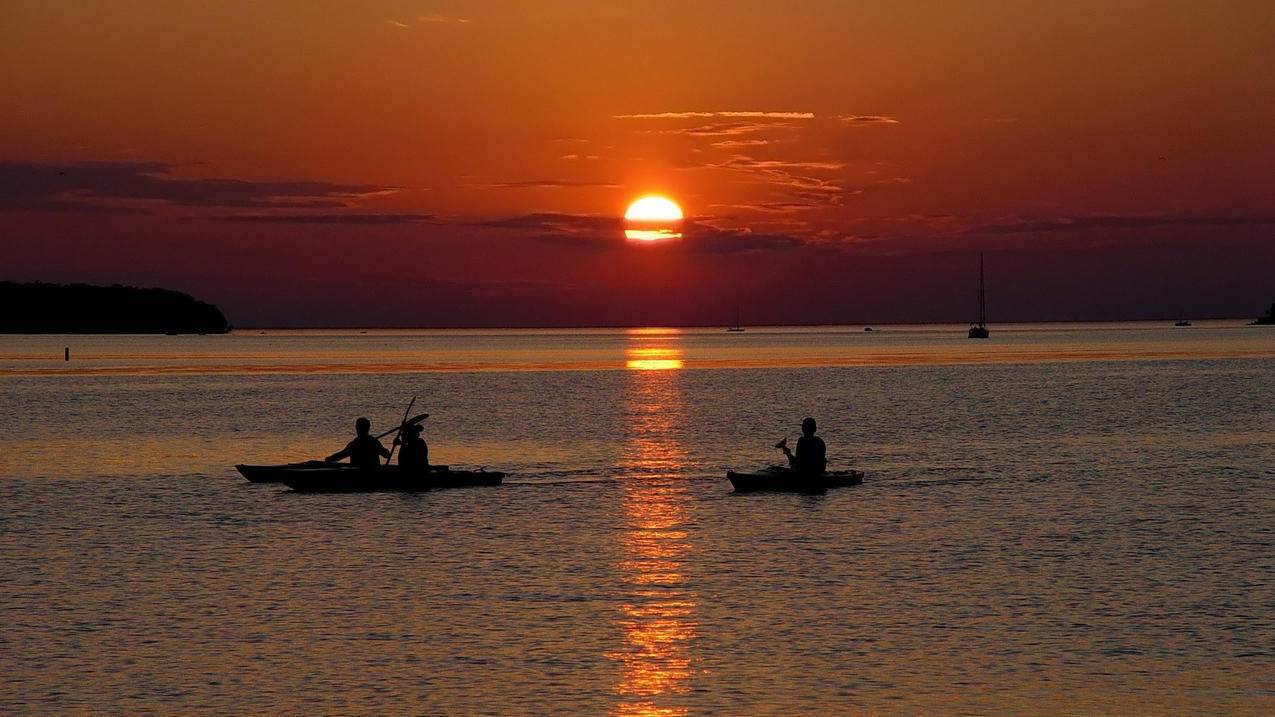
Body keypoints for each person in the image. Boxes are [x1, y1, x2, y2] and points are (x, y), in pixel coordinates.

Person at [326, 417, 390, 469]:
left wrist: (329, 459)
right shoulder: (374, 442)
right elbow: (386, 455)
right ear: (368, 428)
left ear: (357, 428)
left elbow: (341, 455)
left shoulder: (355, 444)